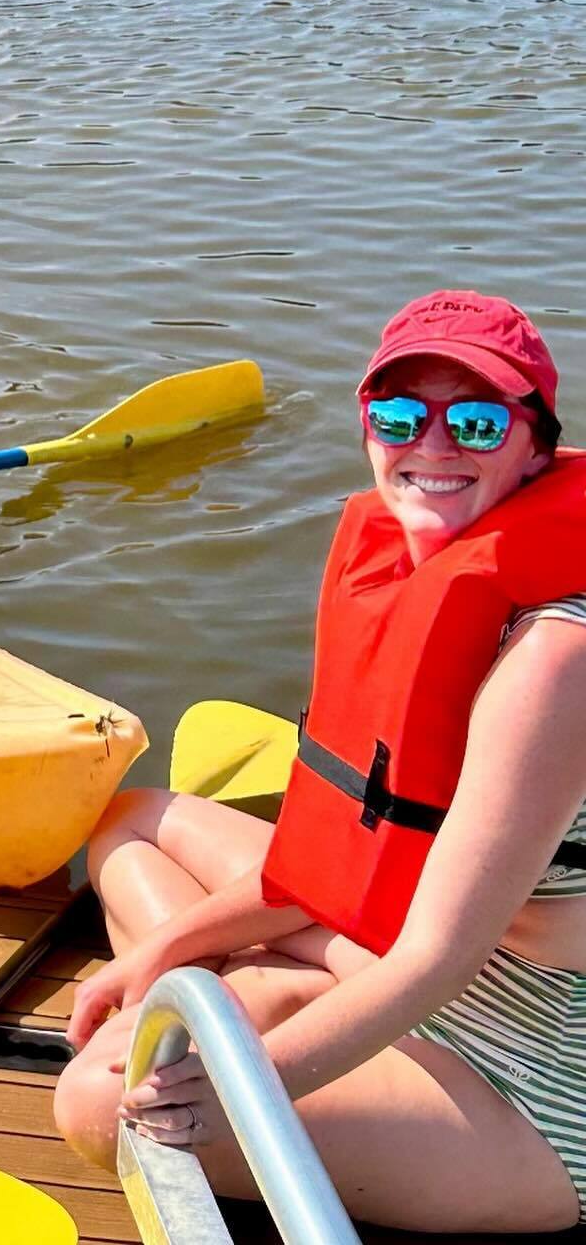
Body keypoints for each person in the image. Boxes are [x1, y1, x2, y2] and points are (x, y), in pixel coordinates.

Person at [55, 291, 586, 1233]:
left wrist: (245, 1098)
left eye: (474, 421)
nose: (433, 446)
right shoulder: (406, 571)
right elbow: (347, 847)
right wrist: (170, 952)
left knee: (103, 1106)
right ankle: (271, 970)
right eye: (398, 416)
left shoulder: (557, 658)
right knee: (131, 820)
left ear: (536, 448)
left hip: (529, 1063)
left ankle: (272, 977)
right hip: (387, 948)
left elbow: (436, 956)